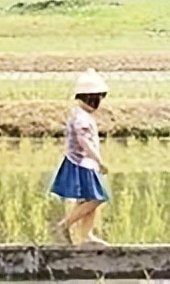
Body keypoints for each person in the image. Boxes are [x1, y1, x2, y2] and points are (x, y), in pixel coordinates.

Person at [51, 68, 111, 246]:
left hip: (85, 163)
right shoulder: (81, 118)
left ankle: (87, 235)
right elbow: (84, 141)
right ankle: (64, 225)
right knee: (96, 198)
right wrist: (99, 161)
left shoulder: (81, 115)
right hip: (81, 163)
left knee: (86, 199)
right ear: (91, 98)